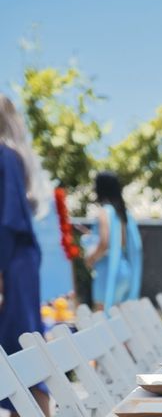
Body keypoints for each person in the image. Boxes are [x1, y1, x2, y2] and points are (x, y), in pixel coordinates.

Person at [0, 95, 50, 416]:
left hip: (11, 260)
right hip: (19, 261)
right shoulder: (15, 155)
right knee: (24, 351)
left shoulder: (4, 156)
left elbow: (7, 220)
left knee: (22, 353)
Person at [85, 171, 142, 311]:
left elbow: (105, 242)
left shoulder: (104, 211)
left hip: (108, 270)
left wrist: (90, 259)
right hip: (125, 269)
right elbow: (122, 242)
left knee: (101, 321)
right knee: (119, 322)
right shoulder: (121, 213)